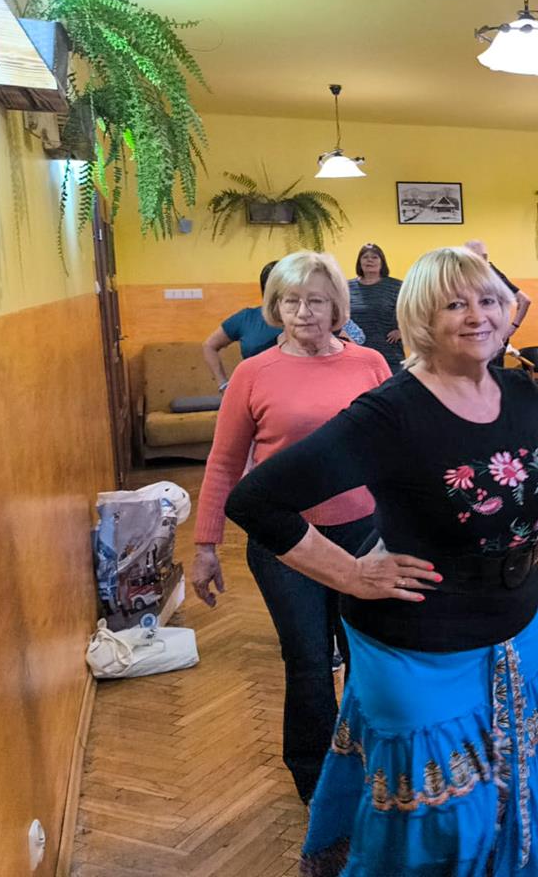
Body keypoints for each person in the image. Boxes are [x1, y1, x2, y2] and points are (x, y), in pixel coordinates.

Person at [224, 246, 538, 875]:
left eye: (489, 300)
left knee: (515, 785)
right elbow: (257, 500)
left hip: (516, 632)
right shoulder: (390, 413)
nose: (478, 316)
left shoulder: (520, 392)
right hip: (419, 643)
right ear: (421, 320)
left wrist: (516, 534)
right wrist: (351, 573)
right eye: (455, 304)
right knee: (440, 822)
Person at [190, 251, 391, 803]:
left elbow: (394, 450)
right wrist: (206, 546)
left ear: (337, 306)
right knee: (307, 661)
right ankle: (316, 781)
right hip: (285, 544)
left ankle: (372, 762)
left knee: (367, 657)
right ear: (275, 307)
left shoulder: (371, 363)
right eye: (291, 301)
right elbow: (224, 463)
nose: (304, 312)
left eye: (316, 300)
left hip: (363, 534)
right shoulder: (253, 372)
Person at [202, 260, 282, 390]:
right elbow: (209, 346)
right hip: (255, 392)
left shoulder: (304, 319)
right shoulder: (247, 318)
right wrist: (223, 384)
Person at [465, 238, 533, 358]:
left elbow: (525, 300)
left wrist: (512, 328)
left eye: (471, 260)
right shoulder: (473, 275)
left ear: (484, 258)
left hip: (492, 337)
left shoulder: (493, 274)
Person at [348, 243, 405, 371]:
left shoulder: (396, 286)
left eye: (374, 257)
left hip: (389, 353)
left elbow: (414, 311)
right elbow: (339, 317)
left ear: (382, 262)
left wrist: (402, 331)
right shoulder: (346, 287)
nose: (369, 260)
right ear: (359, 262)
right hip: (356, 354)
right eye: (365, 257)